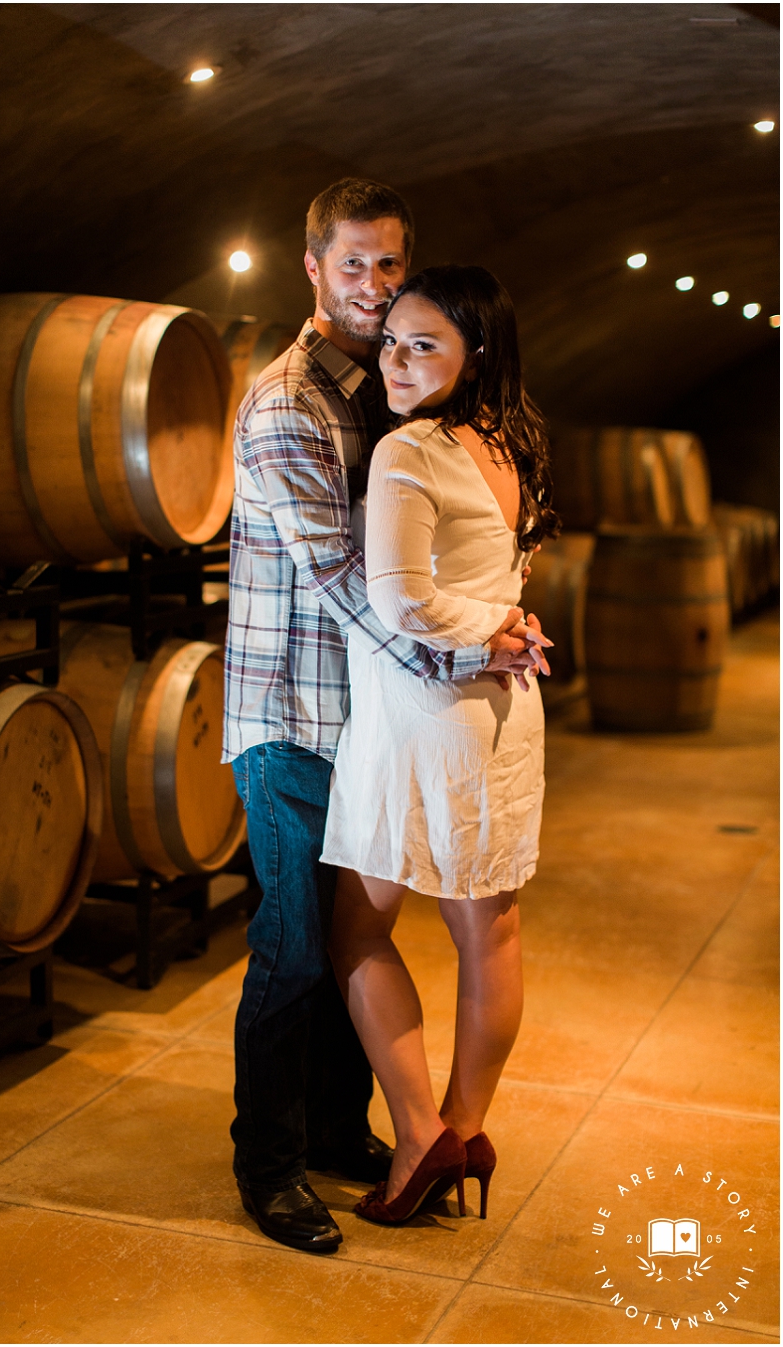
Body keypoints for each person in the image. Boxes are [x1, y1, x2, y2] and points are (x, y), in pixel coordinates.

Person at [223, 181, 546, 1255]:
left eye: (390, 265)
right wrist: (482, 639)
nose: (374, 285)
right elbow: (352, 578)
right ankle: (268, 1167)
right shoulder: (287, 404)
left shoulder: (379, 385)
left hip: (367, 714)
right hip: (292, 714)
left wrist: (490, 619)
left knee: (348, 935)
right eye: (353, 264)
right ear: (312, 269)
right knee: (294, 947)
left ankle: (339, 1129)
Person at [322, 264, 557, 1225]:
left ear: (476, 352)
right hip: (506, 712)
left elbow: (398, 597)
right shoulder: (515, 442)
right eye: (391, 342)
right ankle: (467, 1127)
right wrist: (504, 625)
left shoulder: (410, 450)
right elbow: (500, 576)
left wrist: (474, 634)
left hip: (424, 714)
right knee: (489, 932)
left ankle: (421, 1133)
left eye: (425, 344)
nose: (398, 361)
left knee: (356, 929)